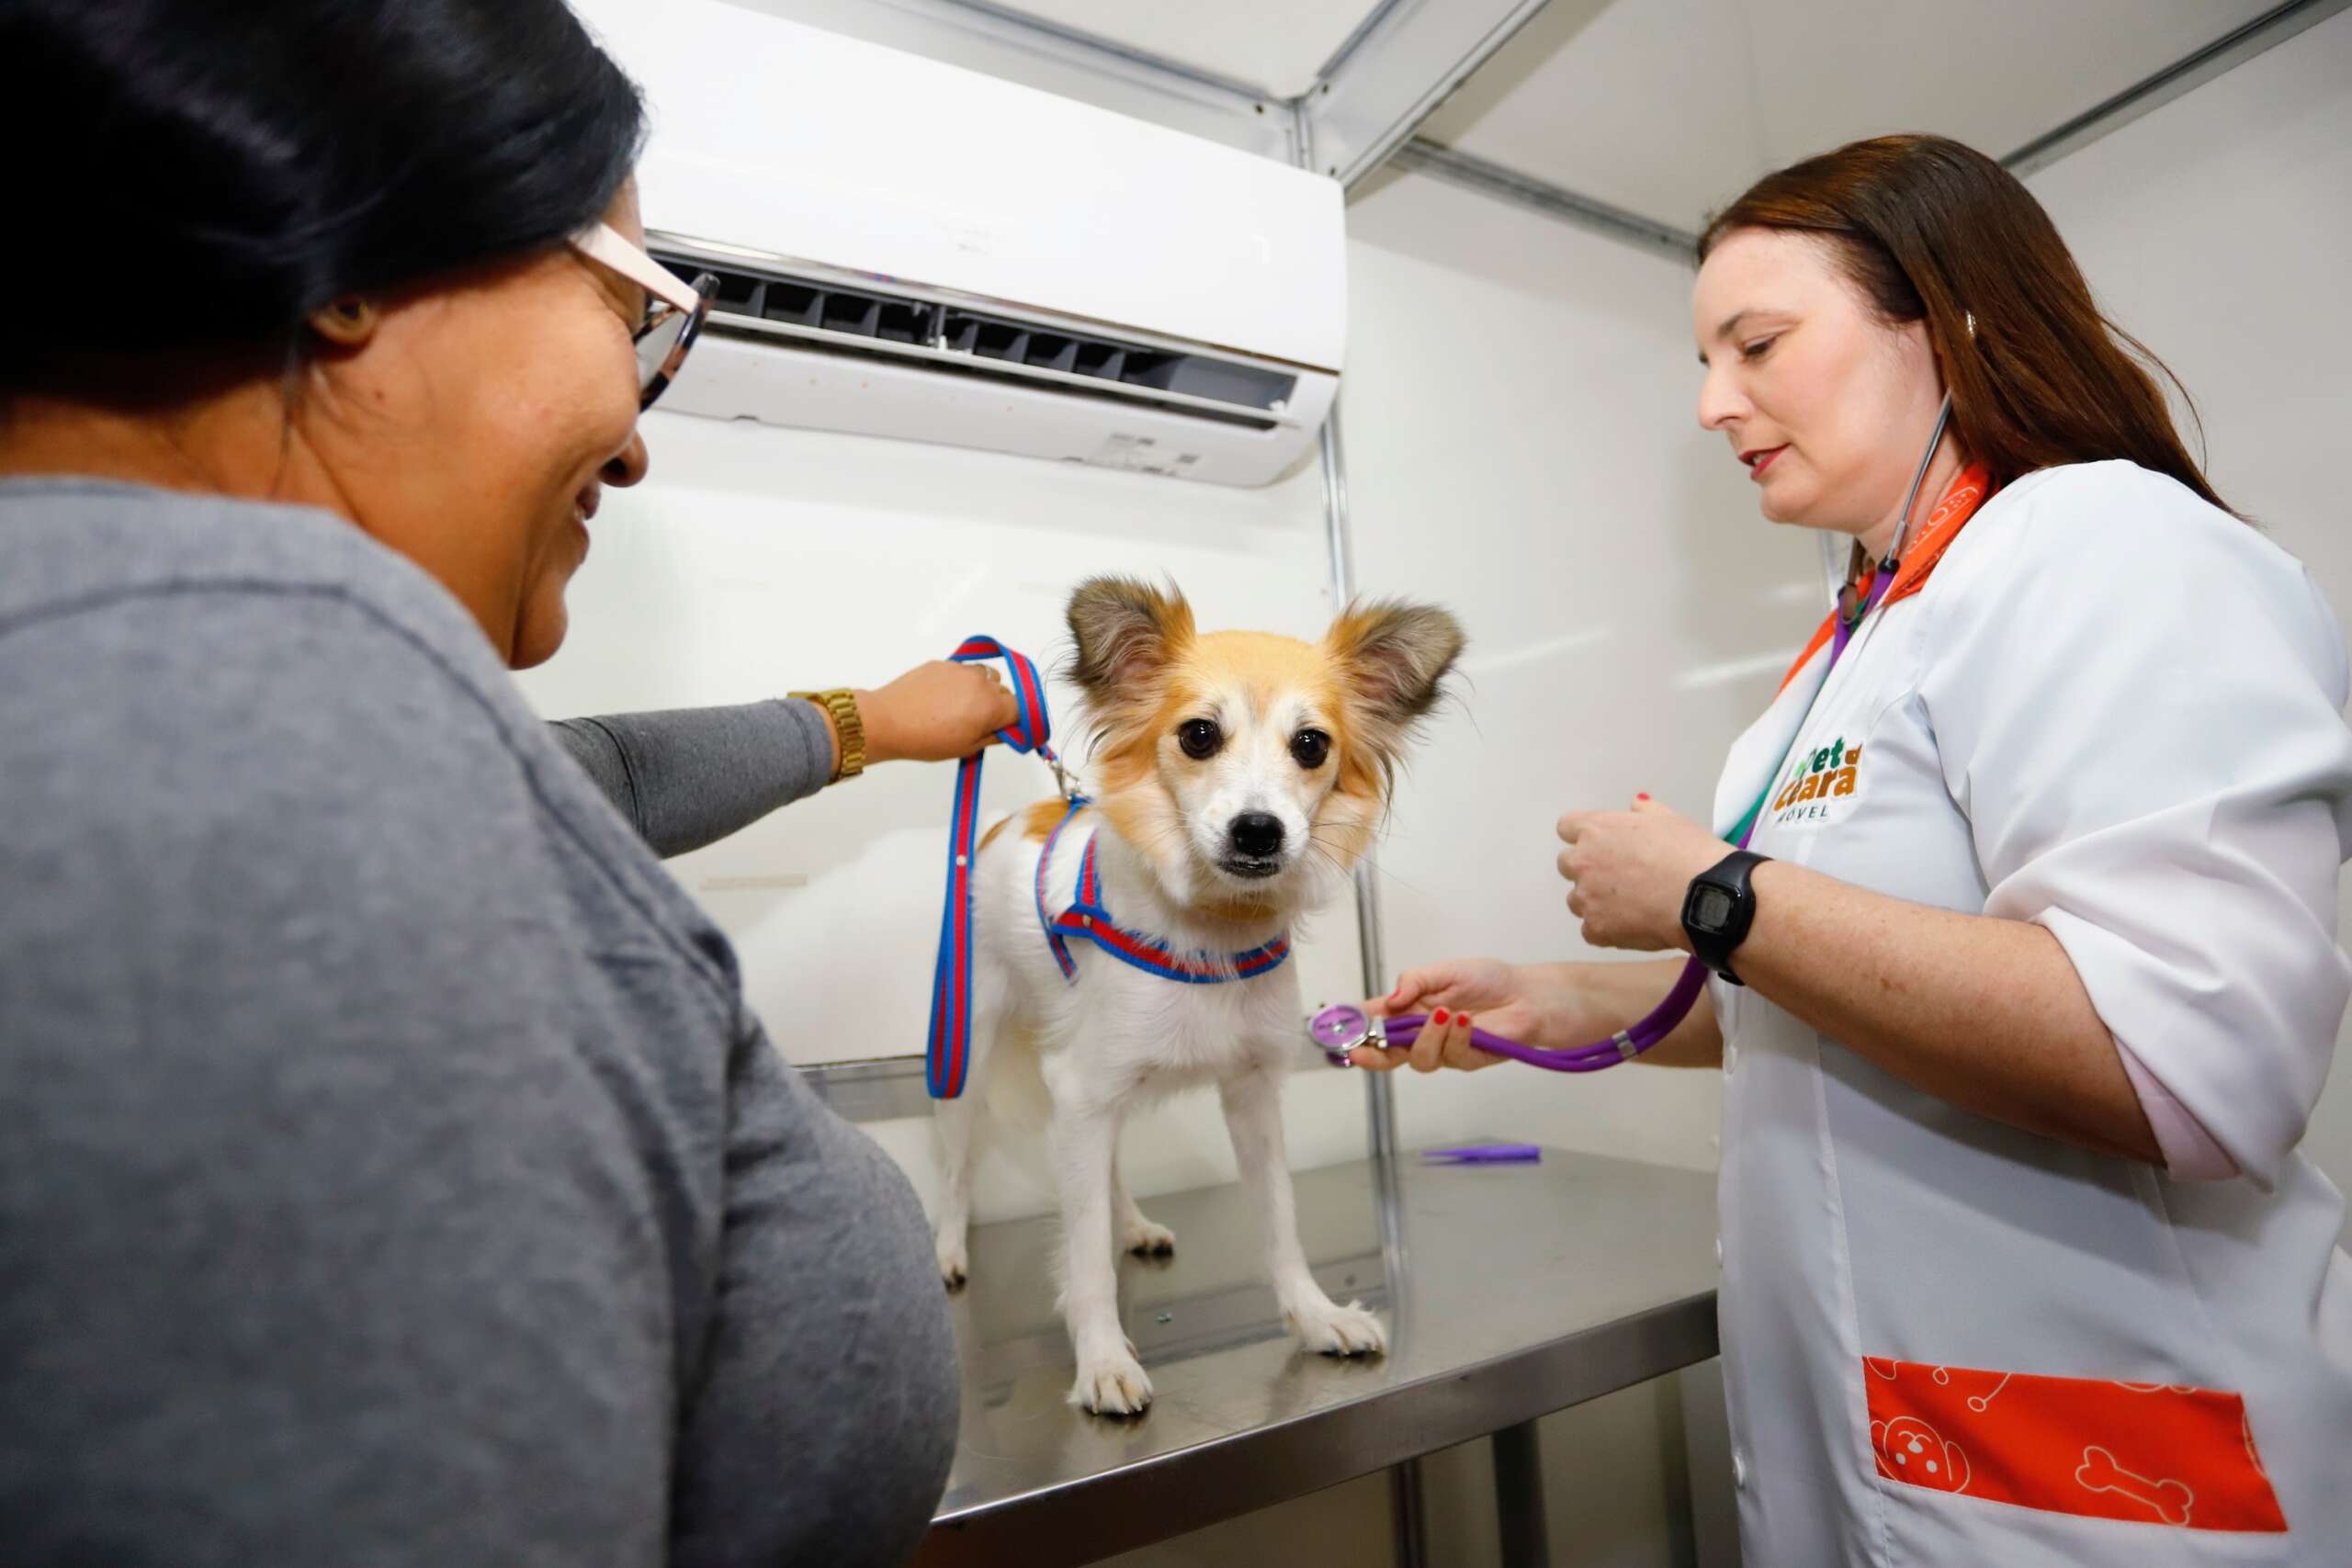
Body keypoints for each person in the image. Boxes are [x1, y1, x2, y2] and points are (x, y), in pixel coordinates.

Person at [0, 3, 1008, 1563]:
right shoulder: (269, 731)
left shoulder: (171, 681)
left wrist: (868, 720)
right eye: (639, 314)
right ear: (352, 267)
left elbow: (587, 778)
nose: (636, 448)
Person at [1355, 136, 2352, 1562]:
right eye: (1707, 361)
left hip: (2108, 1465)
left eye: (1756, 343)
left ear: (1948, 317)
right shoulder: (1855, 645)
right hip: (1883, 1436)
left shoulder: (2107, 544)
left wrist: (1716, 896)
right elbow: (1852, 996)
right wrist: (1563, 1001)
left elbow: (2195, 1063)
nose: (1712, 404)